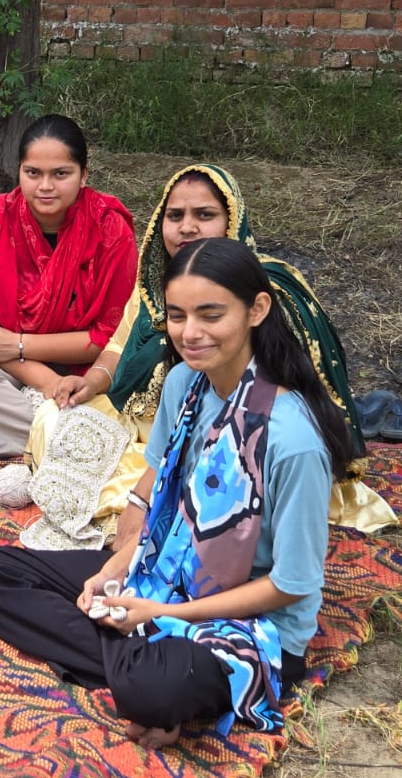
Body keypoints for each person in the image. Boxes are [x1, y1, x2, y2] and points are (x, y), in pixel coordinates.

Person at [0, 238, 354, 749]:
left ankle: (140, 663)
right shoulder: (184, 385)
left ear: (257, 309)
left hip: (251, 622)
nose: (190, 333)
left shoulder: (293, 438)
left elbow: (291, 586)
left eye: (210, 315)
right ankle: (133, 656)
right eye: (177, 315)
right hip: (165, 574)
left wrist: (163, 616)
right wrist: (112, 571)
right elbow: (168, 503)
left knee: (153, 690)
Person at [29, 163, 393, 537]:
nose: (187, 227)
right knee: (51, 418)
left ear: (232, 221)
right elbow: (119, 345)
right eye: (175, 216)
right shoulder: (155, 285)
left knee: (204, 479)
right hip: (148, 426)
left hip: (231, 436)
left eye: (205, 215)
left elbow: (272, 406)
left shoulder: (268, 291)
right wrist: (91, 380)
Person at [0, 115, 138, 456]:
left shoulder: (110, 230)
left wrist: (20, 344)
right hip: (11, 369)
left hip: (88, 372)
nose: (45, 186)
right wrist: (51, 384)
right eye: (33, 173)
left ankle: (48, 436)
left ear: (84, 175)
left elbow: (111, 337)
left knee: (127, 378)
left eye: (60, 174)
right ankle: (74, 441)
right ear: (19, 171)